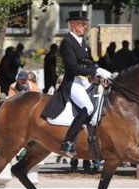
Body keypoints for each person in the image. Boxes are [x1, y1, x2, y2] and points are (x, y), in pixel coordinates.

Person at [41, 10, 112, 156]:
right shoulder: (67, 42)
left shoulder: (82, 41)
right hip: (72, 82)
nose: (85, 27)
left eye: (85, 24)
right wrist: (95, 72)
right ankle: (67, 142)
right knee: (88, 107)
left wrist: (99, 72)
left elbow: (88, 63)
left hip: (84, 81)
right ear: (73, 24)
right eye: (82, 24)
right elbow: (72, 67)